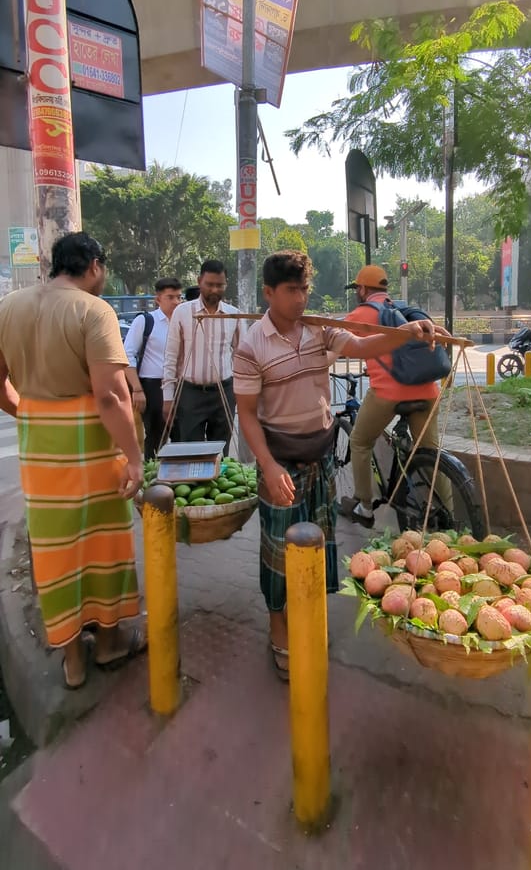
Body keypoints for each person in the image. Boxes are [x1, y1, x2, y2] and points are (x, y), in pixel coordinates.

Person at [233, 250, 441, 681]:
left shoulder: (319, 330)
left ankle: (309, 620)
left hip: (321, 456)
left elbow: (365, 344)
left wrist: (405, 334)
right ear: (269, 292)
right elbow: (248, 415)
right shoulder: (252, 344)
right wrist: (268, 468)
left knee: (319, 547)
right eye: (291, 290)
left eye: (305, 289)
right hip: (281, 463)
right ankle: (279, 628)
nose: (300, 299)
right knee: (278, 554)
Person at [0, 233, 146, 690]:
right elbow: (109, 395)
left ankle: (72, 661)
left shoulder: (8, 307)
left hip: (39, 449)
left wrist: (32, 415)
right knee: (104, 546)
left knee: (55, 551)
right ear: (95, 266)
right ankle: (107, 644)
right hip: (93, 448)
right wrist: (137, 459)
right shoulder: (93, 310)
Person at [340, 265, 453, 528]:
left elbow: (337, 340)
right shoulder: (405, 309)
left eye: (358, 288)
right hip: (428, 391)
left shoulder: (363, 312)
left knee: (359, 441)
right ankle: (450, 513)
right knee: (430, 453)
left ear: (363, 289)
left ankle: (365, 507)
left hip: (389, 393)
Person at [162, 259, 242, 454]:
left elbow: (242, 359)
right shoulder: (182, 312)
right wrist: (168, 398)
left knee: (220, 453)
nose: (214, 290)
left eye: (219, 285)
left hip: (224, 391)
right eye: (210, 284)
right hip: (190, 393)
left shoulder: (233, 315)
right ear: (199, 282)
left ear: (226, 284)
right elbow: (171, 356)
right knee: (191, 451)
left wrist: (242, 393)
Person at [123, 277, 182, 459]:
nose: (176, 302)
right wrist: (137, 389)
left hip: (180, 386)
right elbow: (127, 355)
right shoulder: (146, 321)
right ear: (158, 299)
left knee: (181, 436)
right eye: (170, 297)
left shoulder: (183, 322)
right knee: (156, 436)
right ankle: (152, 478)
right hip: (153, 387)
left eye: (179, 297)